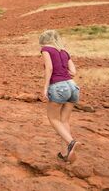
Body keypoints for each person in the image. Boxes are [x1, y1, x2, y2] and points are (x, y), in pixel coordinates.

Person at [40, 29, 80, 162]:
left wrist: (45, 87)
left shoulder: (46, 49)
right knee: (64, 121)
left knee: (53, 119)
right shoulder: (64, 51)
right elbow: (73, 71)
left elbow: (49, 68)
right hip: (72, 86)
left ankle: (71, 142)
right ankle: (65, 153)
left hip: (58, 86)